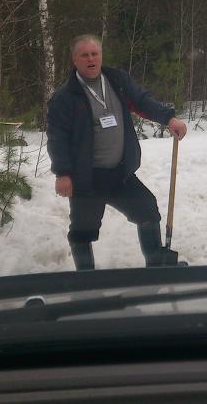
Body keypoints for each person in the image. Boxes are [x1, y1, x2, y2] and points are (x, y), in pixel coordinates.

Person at [47, 34, 187, 270]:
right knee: (83, 231)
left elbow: (141, 101)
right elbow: (57, 138)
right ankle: (86, 278)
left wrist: (168, 118)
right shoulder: (65, 98)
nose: (91, 59)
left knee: (147, 210)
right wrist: (62, 173)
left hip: (120, 174)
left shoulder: (116, 80)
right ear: (75, 60)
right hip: (87, 179)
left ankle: (156, 266)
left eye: (95, 54)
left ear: (101, 56)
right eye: (85, 55)